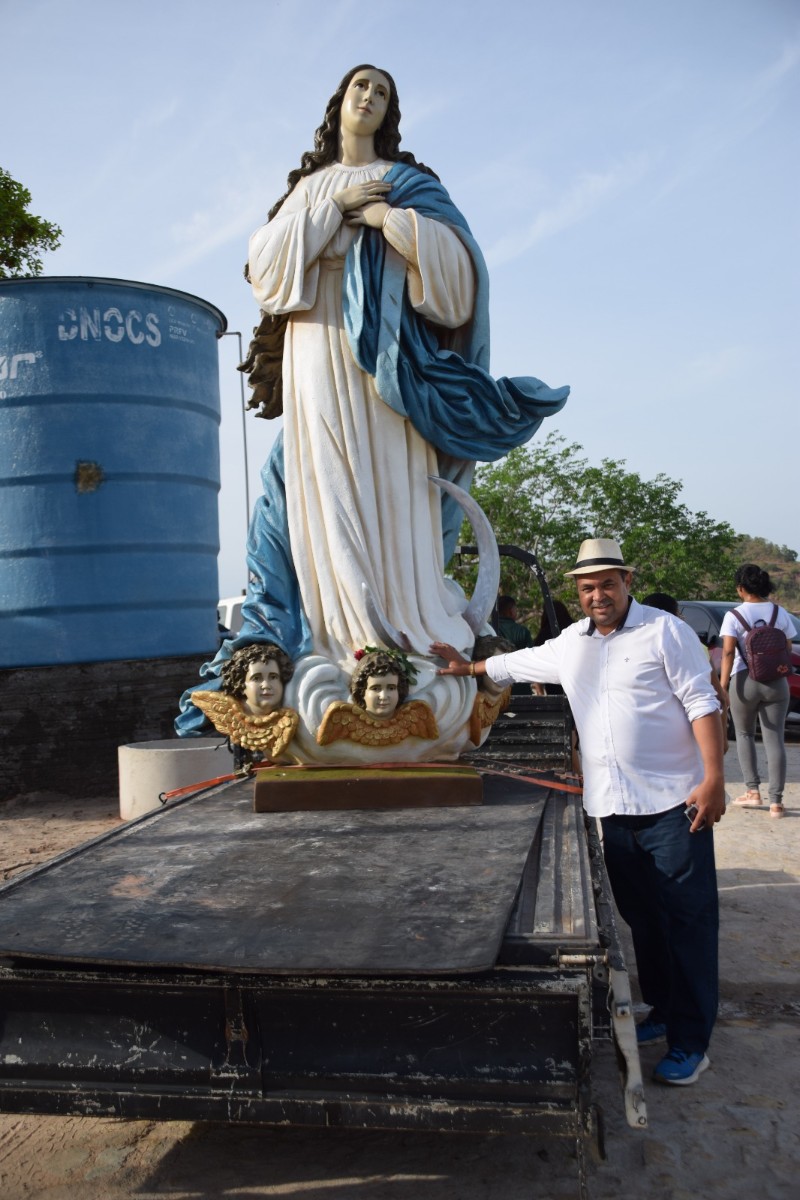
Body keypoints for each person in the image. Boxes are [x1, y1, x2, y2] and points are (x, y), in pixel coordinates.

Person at [176, 64, 569, 759]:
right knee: (325, 486)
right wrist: (333, 210)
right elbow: (267, 270)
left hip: (389, 367)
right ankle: (333, 634)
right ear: (337, 104)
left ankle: (401, 628)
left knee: (391, 484)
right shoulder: (307, 189)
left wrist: (390, 219)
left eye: (381, 92)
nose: (368, 97)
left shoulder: (411, 186)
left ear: (390, 111)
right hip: (316, 351)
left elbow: (461, 281)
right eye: (360, 87)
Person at [433, 537, 726, 1087]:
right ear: (579, 592)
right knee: (644, 920)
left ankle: (692, 1041)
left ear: (626, 583)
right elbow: (512, 663)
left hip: (674, 804)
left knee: (688, 923)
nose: (598, 595)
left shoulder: (665, 632)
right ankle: (662, 1012)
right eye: (588, 587)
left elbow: (701, 702)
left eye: (607, 584)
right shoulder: (571, 643)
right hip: (613, 809)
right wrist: (464, 667)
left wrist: (713, 780)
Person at [718, 564, 794, 818]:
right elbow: (787, 645)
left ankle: (753, 792)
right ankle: (776, 802)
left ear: (741, 588)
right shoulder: (779, 612)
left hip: (744, 680)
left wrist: (723, 686)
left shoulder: (734, 615)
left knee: (744, 734)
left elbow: (728, 651)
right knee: (775, 738)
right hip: (777, 681)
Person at [642, 592, 729, 754]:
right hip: (686, 739)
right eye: (679, 612)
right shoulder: (694, 645)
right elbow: (719, 697)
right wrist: (722, 740)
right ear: (673, 615)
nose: (683, 617)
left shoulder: (632, 646)